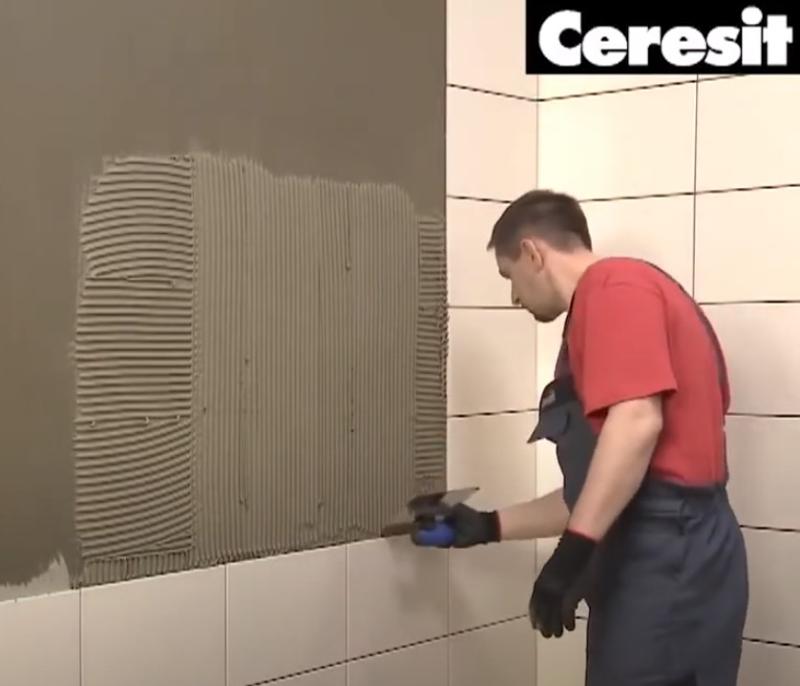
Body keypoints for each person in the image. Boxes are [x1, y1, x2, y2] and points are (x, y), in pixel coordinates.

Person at [412, 190, 749, 685]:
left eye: (509, 276)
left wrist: (572, 555)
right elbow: (602, 488)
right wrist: (487, 525)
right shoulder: (614, 306)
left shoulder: (613, 287)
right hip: (662, 547)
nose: (514, 297)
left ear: (532, 252)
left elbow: (637, 423)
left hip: (667, 557)